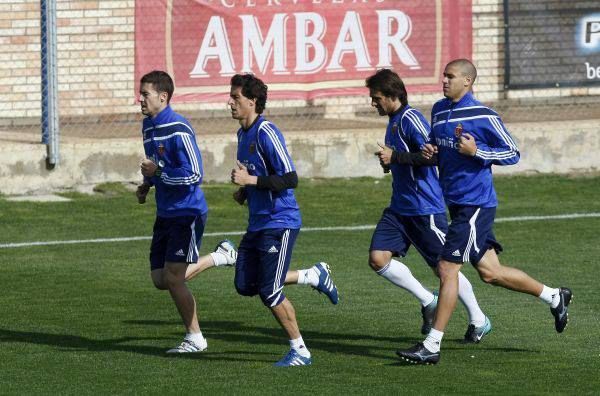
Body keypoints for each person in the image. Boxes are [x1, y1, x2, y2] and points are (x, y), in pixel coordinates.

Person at [397, 59, 572, 365]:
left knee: (448, 269)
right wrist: (431, 151)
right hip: (456, 204)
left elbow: (512, 152)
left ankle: (432, 345)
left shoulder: (483, 115)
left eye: (451, 76)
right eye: (444, 76)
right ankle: (554, 296)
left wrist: (477, 151)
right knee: (491, 272)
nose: (444, 81)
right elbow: (437, 147)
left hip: (475, 205)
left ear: (467, 81)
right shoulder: (439, 110)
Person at [366, 69, 489, 341]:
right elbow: (406, 159)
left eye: (376, 98)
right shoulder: (394, 121)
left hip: (424, 209)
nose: (373, 103)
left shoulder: (412, 119)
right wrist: (390, 161)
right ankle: (427, 300)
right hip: (400, 208)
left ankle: (478, 318)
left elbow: (434, 156)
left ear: (392, 95)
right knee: (377, 258)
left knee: (445, 268)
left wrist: (395, 157)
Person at [228, 73, 338, 367]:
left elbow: (290, 178)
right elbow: (259, 177)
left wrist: (250, 180)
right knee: (245, 284)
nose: (231, 102)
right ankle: (312, 276)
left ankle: (300, 350)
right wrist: (245, 190)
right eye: (231, 96)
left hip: (280, 221)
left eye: (236, 97)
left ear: (252, 101)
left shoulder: (267, 132)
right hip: (258, 223)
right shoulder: (242, 134)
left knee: (269, 290)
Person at [136, 70, 237, 354]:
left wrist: (160, 173)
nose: (140, 99)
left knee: (173, 278)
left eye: (145, 94)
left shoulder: (179, 128)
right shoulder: (148, 126)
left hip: (187, 212)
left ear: (163, 97)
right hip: (166, 212)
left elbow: (194, 174)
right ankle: (221, 256)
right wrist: (148, 183)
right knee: (160, 279)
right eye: (141, 93)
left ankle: (195, 338)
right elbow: (156, 165)